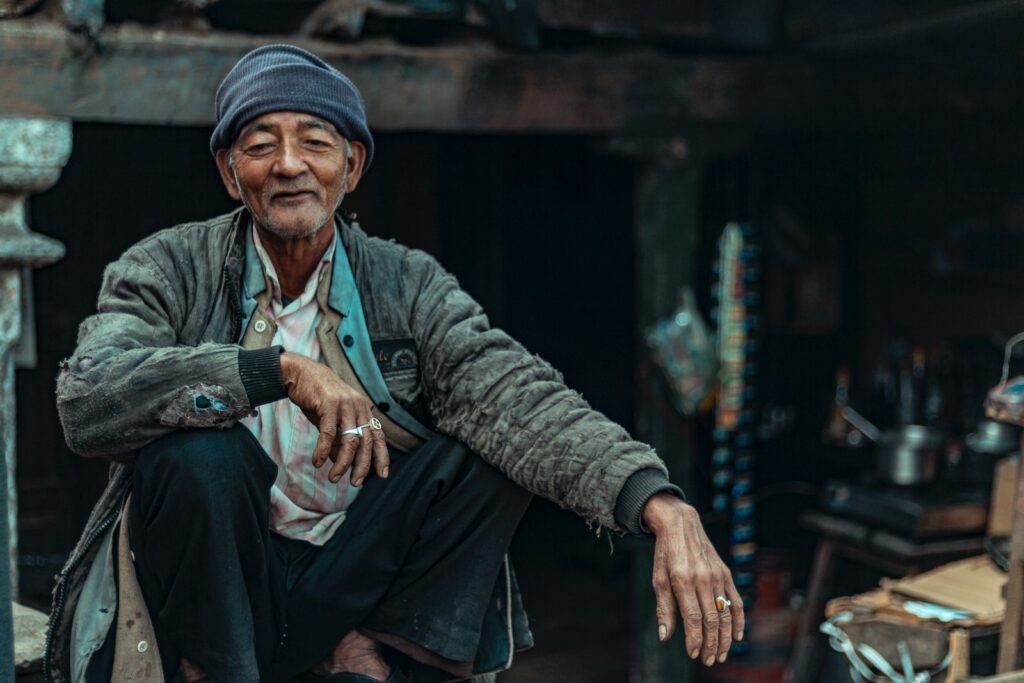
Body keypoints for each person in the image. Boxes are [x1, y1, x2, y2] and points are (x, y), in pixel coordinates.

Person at [46, 44, 743, 683]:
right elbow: (88, 399)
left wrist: (659, 503)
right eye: (261, 146)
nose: (288, 164)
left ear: (351, 164)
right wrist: (278, 370)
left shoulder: (406, 283)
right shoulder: (166, 266)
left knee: (491, 449)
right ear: (232, 174)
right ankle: (219, 665)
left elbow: (518, 396)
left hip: (347, 576)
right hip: (225, 585)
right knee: (197, 459)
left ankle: (370, 652)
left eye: (314, 143)